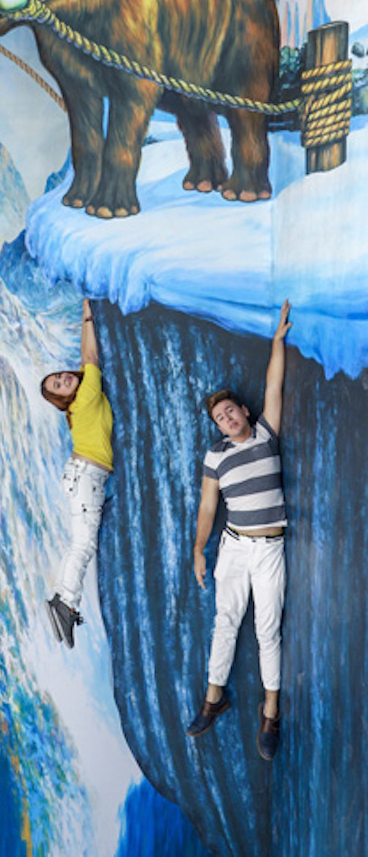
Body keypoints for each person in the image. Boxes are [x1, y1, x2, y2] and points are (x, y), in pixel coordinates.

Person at [186, 301, 292, 760]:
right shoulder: (216, 456)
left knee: (268, 630)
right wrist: (198, 549)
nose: (227, 420)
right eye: (220, 419)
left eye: (230, 412)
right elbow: (208, 505)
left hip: (269, 548)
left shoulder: (266, 433)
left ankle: (271, 713)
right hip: (232, 546)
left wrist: (277, 343)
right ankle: (213, 699)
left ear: (245, 411)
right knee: (225, 621)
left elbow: (274, 385)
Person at [42, 299, 113, 649]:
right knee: (83, 544)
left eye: (59, 377)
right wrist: (87, 315)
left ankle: (64, 601)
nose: (63, 379)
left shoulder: (81, 399)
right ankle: (65, 603)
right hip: (86, 477)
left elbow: (84, 363)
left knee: (80, 542)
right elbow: (90, 358)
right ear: (63, 399)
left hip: (82, 475)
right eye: (59, 385)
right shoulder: (83, 399)